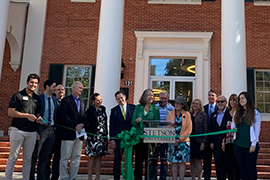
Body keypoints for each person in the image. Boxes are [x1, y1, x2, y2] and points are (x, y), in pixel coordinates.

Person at [5, 73, 41, 180]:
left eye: (35, 83)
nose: (33, 85)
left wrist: (39, 118)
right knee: (13, 158)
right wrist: (26, 116)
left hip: (32, 132)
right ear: (27, 82)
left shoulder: (37, 98)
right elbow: (10, 112)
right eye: (31, 82)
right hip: (17, 130)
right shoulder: (18, 95)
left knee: (28, 159)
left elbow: (38, 113)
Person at [59, 81, 86, 180]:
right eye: (79, 88)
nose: (81, 90)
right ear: (73, 88)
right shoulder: (66, 100)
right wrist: (75, 125)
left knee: (76, 157)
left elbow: (84, 115)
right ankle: (64, 177)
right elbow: (64, 116)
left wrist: (82, 124)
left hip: (79, 135)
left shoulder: (82, 101)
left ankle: (73, 177)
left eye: (82, 88)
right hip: (68, 133)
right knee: (65, 157)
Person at [31, 79, 58, 180]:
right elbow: (35, 111)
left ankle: (41, 178)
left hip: (51, 130)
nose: (55, 88)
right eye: (53, 86)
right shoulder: (39, 98)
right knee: (35, 156)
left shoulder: (55, 99)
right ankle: (31, 177)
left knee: (45, 158)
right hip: (41, 129)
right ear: (47, 87)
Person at [132, 89, 160, 180]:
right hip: (139, 139)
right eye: (149, 95)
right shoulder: (138, 107)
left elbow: (156, 123)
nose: (151, 97)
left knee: (149, 162)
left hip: (150, 139)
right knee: (138, 162)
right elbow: (133, 121)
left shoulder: (155, 108)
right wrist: (137, 120)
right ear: (144, 96)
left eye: (152, 95)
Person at [232, 92, 261, 180]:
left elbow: (257, 129)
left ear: (247, 99)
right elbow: (233, 124)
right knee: (242, 168)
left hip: (249, 144)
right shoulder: (237, 112)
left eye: (243, 98)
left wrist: (253, 144)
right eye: (240, 99)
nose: (241, 100)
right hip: (238, 144)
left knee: (250, 168)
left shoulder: (255, 113)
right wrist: (233, 128)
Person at [109, 91, 135, 180]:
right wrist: (112, 140)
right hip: (119, 140)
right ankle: (116, 178)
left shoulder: (133, 108)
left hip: (130, 139)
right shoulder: (114, 110)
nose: (120, 100)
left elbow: (135, 124)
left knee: (129, 160)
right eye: (118, 98)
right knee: (117, 161)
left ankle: (129, 177)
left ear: (125, 96)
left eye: (121, 97)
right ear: (116, 100)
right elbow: (112, 126)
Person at [166, 94, 192, 180]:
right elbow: (167, 127)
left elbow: (189, 128)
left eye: (178, 103)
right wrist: (173, 139)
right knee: (174, 163)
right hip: (172, 141)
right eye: (175, 103)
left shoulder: (187, 114)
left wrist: (180, 139)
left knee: (182, 163)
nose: (176, 105)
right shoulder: (170, 113)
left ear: (182, 105)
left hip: (183, 142)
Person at [150, 91, 174, 180]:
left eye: (165, 98)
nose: (163, 100)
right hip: (155, 137)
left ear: (167, 99)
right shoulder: (154, 108)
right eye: (162, 98)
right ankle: (154, 177)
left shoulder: (171, 108)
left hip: (166, 137)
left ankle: (163, 178)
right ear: (159, 98)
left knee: (164, 160)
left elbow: (172, 123)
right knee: (154, 159)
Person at [85, 93, 108, 180]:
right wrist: (89, 132)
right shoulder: (90, 110)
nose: (99, 102)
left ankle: (98, 177)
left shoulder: (103, 109)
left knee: (99, 157)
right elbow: (86, 122)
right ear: (93, 101)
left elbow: (105, 122)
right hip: (93, 137)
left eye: (100, 100)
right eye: (97, 100)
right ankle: (90, 177)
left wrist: (106, 135)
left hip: (102, 137)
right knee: (92, 156)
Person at [209, 95, 229, 180]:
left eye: (222, 101)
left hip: (227, 144)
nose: (220, 103)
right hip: (216, 145)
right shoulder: (214, 114)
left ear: (226, 103)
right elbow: (211, 129)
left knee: (229, 166)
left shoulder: (229, 113)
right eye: (218, 102)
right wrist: (211, 142)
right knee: (219, 167)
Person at [221, 94, 240, 180]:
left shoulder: (240, 113)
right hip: (228, 141)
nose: (232, 102)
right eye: (231, 100)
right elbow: (223, 127)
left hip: (237, 140)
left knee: (236, 162)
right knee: (228, 162)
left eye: (234, 100)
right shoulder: (227, 112)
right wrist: (223, 142)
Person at [49, 84, 65, 180]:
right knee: (48, 155)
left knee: (58, 156)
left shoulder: (66, 102)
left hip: (61, 133)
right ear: (55, 91)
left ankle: (55, 176)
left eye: (62, 90)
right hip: (51, 131)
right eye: (58, 90)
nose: (61, 91)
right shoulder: (52, 100)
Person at [189, 99, 208, 180]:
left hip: (198, 141)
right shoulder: (188, 114)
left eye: (197, 104)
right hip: (189, 140)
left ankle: (199, 178)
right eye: (194, 103)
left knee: (198, 160)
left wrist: (204, 142)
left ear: (200, 106)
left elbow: (206, 129)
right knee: (191, 161)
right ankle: (193, 178)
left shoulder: (203, 115)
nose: (195, 105)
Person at [203, 90, 218, 180]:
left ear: (216, 97)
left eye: (212, 95)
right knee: (206, 162)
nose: (211, 97)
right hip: (206, 139)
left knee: (218, 162)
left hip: (216, 139)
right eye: (209, 95)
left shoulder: (219, 109)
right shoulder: (204, 108)